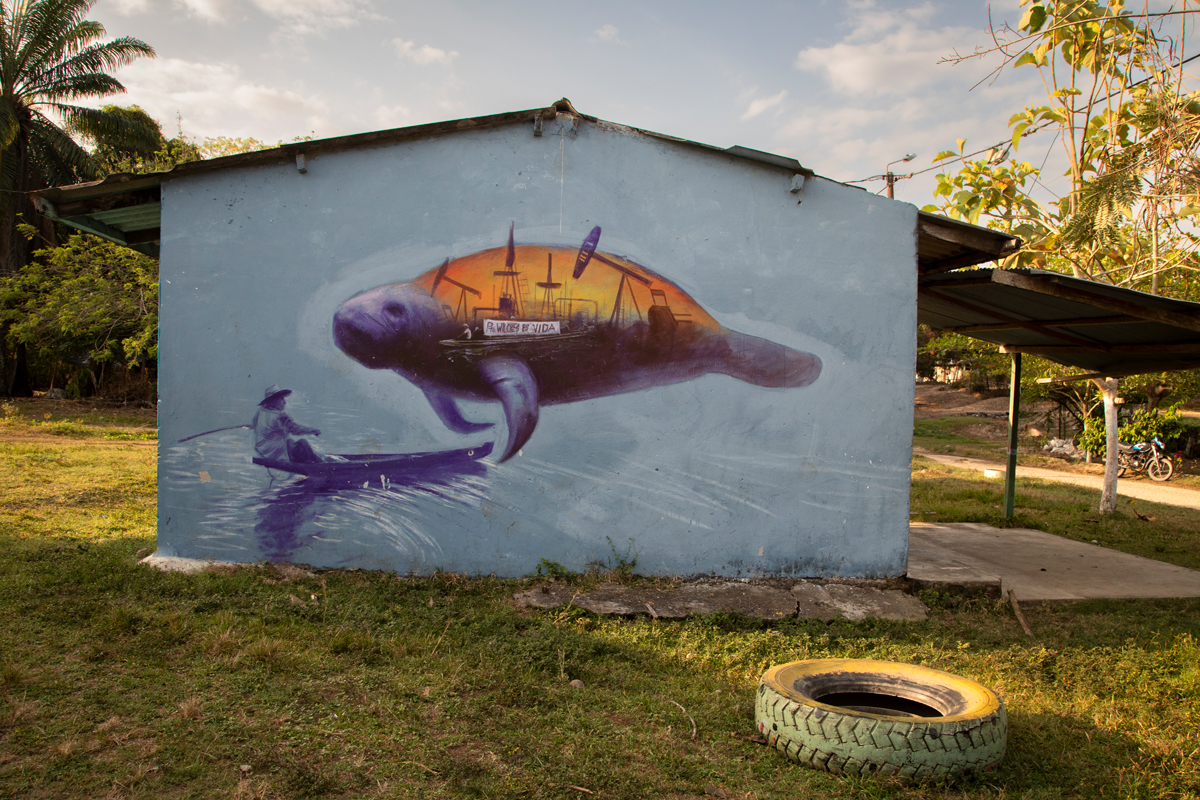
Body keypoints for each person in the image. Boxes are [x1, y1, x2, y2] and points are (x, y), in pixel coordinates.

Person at [251, 385, 323, 463]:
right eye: (282, 398)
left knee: (290, 441)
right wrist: (313, 431)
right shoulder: (280, 416)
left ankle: (314, 460)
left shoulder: (260, 413)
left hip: (263, 453)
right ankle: (321, 463)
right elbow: (295, 429)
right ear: (275, 400)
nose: (285, 402)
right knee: (303, 443)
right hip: (277, 455)